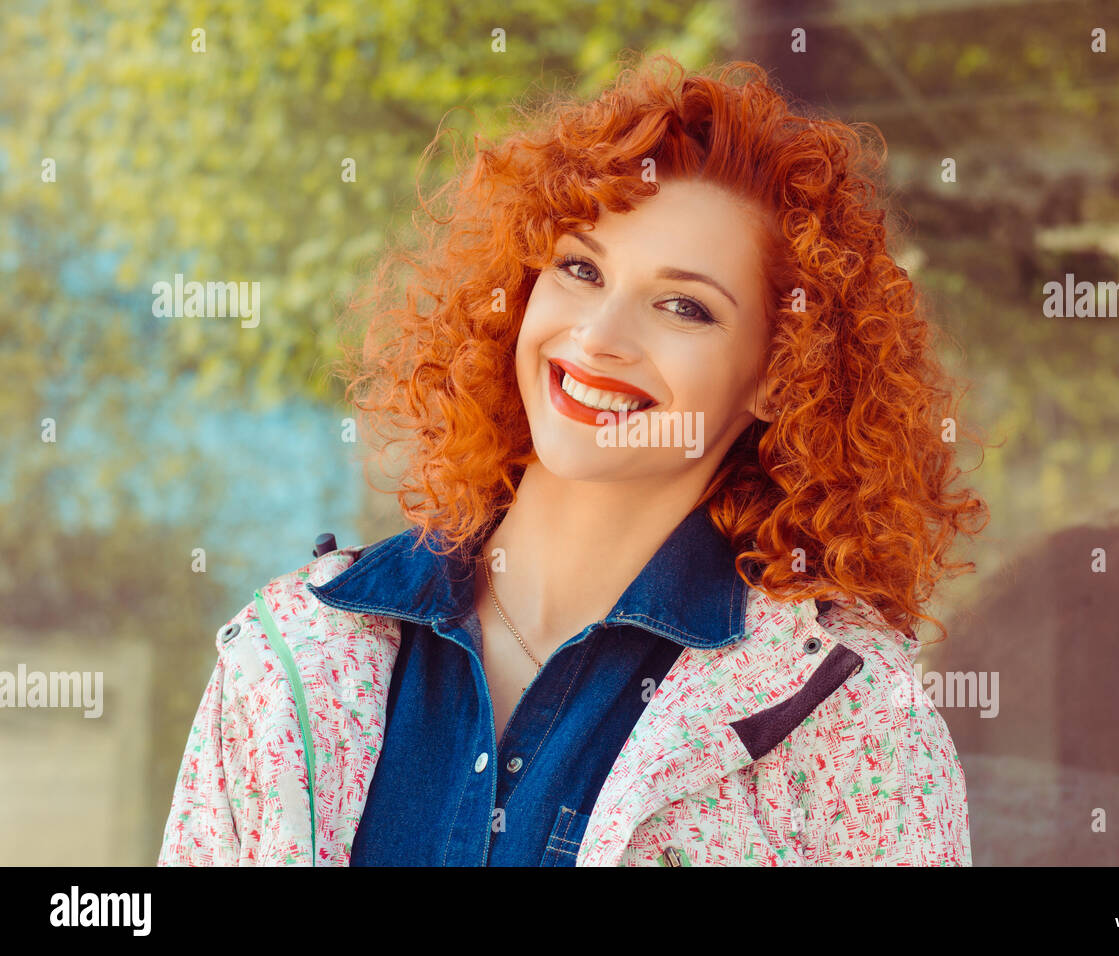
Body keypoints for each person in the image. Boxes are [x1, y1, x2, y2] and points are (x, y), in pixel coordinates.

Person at [157, 53, 988, 867]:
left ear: (779, 376)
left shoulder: (851, 722)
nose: (598, 338)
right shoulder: (292, 651)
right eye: (581, 269)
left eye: (683, 306)